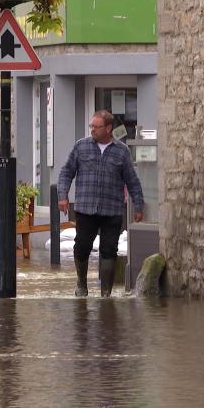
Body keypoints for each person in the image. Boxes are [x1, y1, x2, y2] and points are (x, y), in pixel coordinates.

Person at [57, 110, 144, 297]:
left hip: (111, 209)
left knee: (109, 250)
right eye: (91, 127)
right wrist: (62, 196)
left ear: (108, 128)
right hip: (86, 208)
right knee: (81, 246)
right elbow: (66, 172)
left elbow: (132, 180)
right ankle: (81, 283)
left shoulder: (122, 151)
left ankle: (106, 293)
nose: (92, 130)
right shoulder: (81, 147)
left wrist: (138, 205)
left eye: (96, 127)